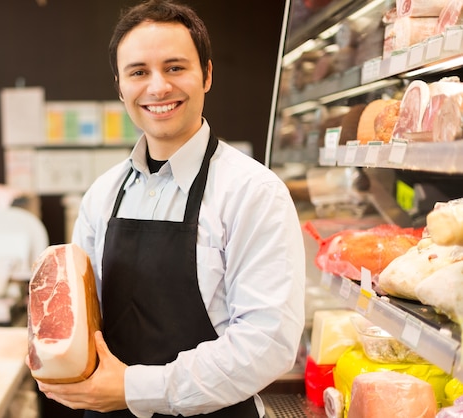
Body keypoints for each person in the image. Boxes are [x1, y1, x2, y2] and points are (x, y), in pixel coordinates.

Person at [35, 0, 305, 416]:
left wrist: (134, 388)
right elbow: (83, 322)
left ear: (207, 75)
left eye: (175, 67)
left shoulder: (253, 192)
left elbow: (267, 342)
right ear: (120, 87)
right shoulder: (102, 195)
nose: (158, 87)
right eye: (139, 72)